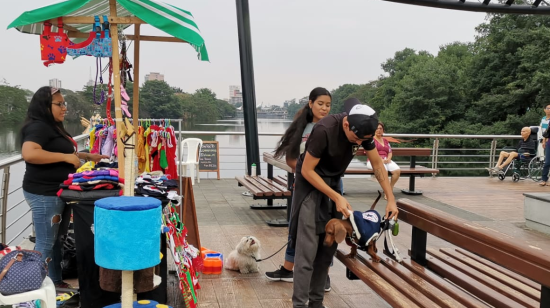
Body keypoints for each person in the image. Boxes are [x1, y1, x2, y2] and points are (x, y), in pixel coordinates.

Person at [289, 97, 399, 308]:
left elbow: (377, 164)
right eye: (356, 139)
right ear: (346, 124)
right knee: (308, 250)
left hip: (332, 186)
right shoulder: (324, 130)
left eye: (363, 141)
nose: (359, 144)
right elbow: (306, 170)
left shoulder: (362, 128)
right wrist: (336, 195)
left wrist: (391, 198)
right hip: (310, 186)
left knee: (327, 249)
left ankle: (316, 303)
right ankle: (300, 304)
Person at [21, 86, 108, 288]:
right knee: (45, 242)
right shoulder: (38, 127)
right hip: (43, 193)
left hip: (56, 191)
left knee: (57, 239)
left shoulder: (52, 127)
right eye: (59, 104)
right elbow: (30, 153)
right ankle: (30, 287)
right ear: (44, 106)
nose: (64, 108)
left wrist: (87, 156)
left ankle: (55, 281)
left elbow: (60, 151)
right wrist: (65, 157)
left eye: (64, 103)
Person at [265, 87, 333, 291]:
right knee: (296, 228)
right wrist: (308, 173)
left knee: (326, 230)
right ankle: (288, 269)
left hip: (329, 189)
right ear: (310, 103)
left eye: (328, 105)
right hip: (302, 187)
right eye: (320, 103)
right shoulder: (300, 129)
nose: (324, 108)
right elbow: (291, 160)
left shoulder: (333, 128)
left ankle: (323, 275)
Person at [366, 122, 400, 199]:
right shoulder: (370, 141)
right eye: (377, 128)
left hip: (385, 160)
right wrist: (380, 160)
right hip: (373, 161)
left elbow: (390, 152)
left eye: (380, 128)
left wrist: (388, 159)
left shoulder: (385, 141)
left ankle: (389, 190)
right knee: (383, 170)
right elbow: (369, 153)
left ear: (383, 130)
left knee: (397, 171)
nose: (379, 130)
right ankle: (388, 193)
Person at [539, 105, 550, 186]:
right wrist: (543, 140)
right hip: (548, 141)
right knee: (547, 162)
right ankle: (544, 179)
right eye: (548, 108)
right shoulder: (543, 119)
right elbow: (546, 132)